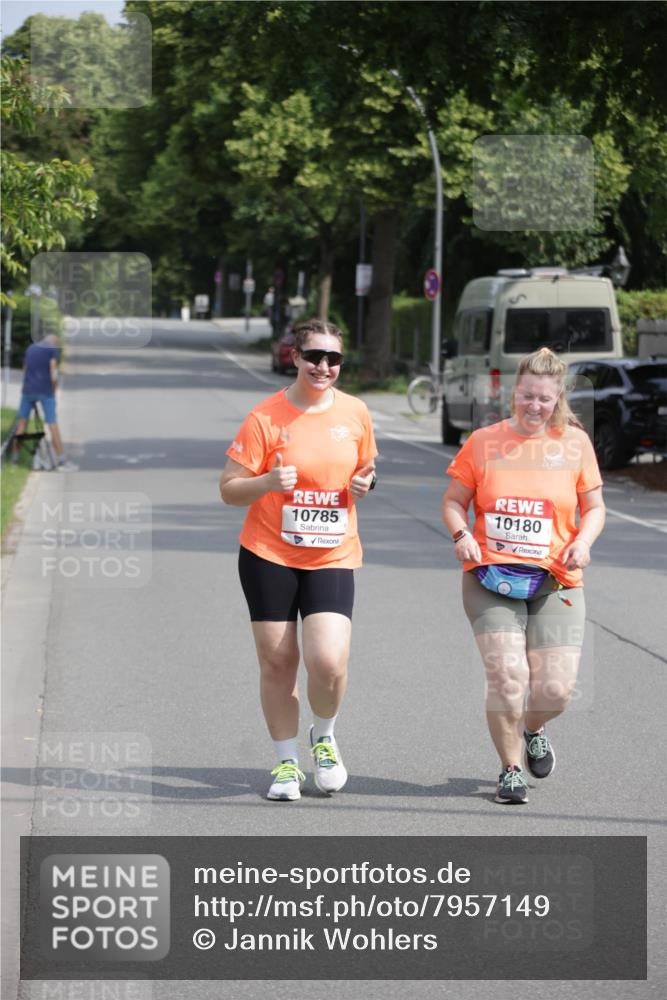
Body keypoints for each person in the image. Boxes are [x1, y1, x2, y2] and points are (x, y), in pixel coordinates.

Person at [219, 319, 377, 801]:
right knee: (278, 661)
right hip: (269, 553)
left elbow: (367, 467)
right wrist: (266, 483)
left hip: (332, 552)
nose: (323, 366)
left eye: (333, 359)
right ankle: (287, 763)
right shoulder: (266, 418)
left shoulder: (355, 412)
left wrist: (366, 483)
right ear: (296, 357)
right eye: (314, 356)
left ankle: (323, 736)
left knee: (328, 661)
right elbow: (228, 489)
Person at [442, 347, 605, 804]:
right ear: (513, 391)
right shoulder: (482, 442)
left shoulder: (574, 444)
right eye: (527, 396)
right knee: (508, 678)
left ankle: (533, 727)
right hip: (489, 576)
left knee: (555, 690)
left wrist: (583, 542)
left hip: (556, 577)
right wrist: (461, 534)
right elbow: (454, 500)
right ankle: (510, 768)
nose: (534, 406)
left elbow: (594, 508)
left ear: (558, 401)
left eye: (544, 399)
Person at [12, 334, 78, 470]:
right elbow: (53, 371)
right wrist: (54, 389)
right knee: (52, 423)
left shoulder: (30, 348)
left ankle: (14, 459)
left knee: (22, 424)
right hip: (45, 391)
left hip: (28, 391)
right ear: (55, 342)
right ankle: (61, 461)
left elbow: (24, 370)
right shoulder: (52, 349)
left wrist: (28, 385)